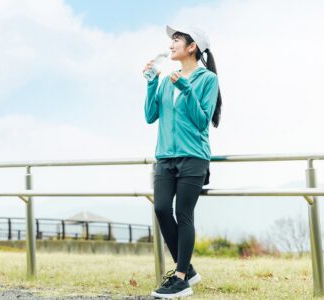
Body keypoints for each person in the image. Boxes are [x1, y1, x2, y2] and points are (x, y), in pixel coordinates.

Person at [143, 24, 222, 299]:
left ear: (192, 47)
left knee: (183, 214)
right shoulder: (168, 79)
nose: (171, 43)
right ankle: (187, 268)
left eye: (177, 39)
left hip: (194, 158)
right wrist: (152, 82)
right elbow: (151, 116)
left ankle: (180, 279)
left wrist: (187, 90)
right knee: (162, 209)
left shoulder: (207, 80)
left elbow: (202, 121)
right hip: (165, 157)